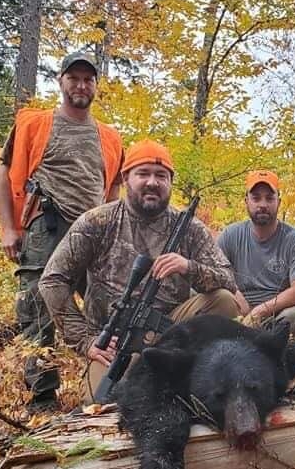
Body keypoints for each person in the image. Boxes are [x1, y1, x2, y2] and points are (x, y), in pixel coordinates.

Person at [38, 139, 240, 400]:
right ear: (125, 178)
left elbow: (228, 280)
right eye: (143, 173)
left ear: (170, 182)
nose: (152, 182)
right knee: (98, 402)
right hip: (113, 342)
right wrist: (86, 340)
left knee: (223, 300)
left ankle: (186, 365)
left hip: (171, 332)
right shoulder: (97, 221)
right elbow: (52, 280)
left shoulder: (189, 227)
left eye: (161, 175)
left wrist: (188, 267)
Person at [0, 50, 124, 413]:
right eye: (74, 78)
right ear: (61, 81)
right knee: (37, 305)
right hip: (46, 226)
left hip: (93, 233)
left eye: (88, 79)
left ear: (96, 85)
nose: (81, 85)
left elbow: (112, 189)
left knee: (109, 307)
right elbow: (4, 173)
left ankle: (105, 387)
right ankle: (43, 398)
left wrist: (113, 233)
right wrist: (8, 228)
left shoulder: (110, 137)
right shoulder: (33, 124)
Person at [217, 170, 295, 339]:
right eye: (256, 198)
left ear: (279, 201)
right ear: (246, 201)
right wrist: (239, 301)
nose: (262, 204)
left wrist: (259, 312)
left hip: (277, 314)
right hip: (237, 312)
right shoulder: (230, 235)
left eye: (269, 198)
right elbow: (214, 275)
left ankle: (291, 364)